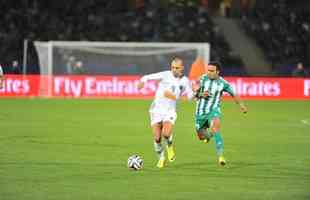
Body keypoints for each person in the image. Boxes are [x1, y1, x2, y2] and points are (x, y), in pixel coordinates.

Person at [137, 57, 194, 168]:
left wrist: (197, 93)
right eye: (172, 67)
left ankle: (169, 145)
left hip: (170, 111)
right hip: (156, 110)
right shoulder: (165, 75)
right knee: (157, 138)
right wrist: (142, 82)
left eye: (177, 68)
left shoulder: (185, 81)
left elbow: (190, 97)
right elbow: (147, 77)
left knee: (166, 134)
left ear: (182, 68)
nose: (174, 70)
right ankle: (161, 158)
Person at [193, 61, 247, 166]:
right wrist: (199, 93)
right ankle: (208, 136)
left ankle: (221, 156)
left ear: (218, 72)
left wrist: (241, 105)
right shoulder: (202, 78)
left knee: (216, 128)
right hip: (200, 112)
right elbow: (194, 89)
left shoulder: (223, 83)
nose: (209, 72)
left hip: (214, 110)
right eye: (208, 70)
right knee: (201, 136)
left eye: (212, 71)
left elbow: (233, 94)